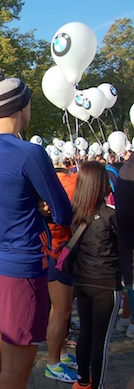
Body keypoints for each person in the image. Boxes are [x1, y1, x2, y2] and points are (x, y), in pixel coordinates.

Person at [0, 69, 72, 389]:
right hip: (21, 269)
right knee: (16, 371)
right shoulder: (30, 152)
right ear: (22, 107)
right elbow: (63, 212)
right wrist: (41, 207)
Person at [70, 161, 120, 389]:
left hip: (81, 280)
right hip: (105, 283)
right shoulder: (110, 216)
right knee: (101, 339)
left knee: (86, 334)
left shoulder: (75, 214)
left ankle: (82, 380)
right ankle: (97, 385)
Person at [44, 160, 79, 382]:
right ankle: (53, 363)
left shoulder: (43, 186)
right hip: (58, 253)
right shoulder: (70, 183)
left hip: (54, 251)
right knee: (61, 312)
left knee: (60, 311)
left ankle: (61, 355)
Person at [115, 153, 134, 339]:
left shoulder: (126, 169)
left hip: (126, 235)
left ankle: (126, 319)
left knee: (130, 279)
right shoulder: (130, 171)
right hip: (129, 234)